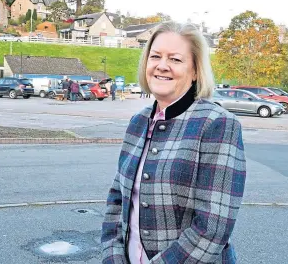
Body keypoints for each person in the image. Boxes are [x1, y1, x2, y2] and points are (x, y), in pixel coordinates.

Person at [101, 22, 246, 264]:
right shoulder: (138, 121)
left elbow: (212, 228)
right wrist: (112, 258)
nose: (162, 65)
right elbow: (117, 200)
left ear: (195, 70)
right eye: (155, 56)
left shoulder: (217, 124)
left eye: (175, 59)